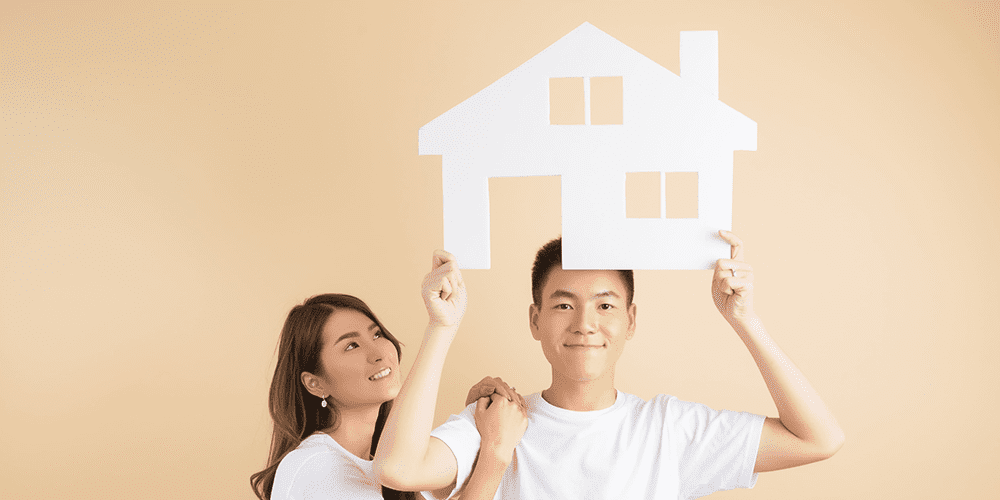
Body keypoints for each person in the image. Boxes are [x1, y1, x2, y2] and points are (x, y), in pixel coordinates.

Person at [377, 231, 846, 499]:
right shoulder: (495, 421)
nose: (585, 324)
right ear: (535, 321)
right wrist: (441, 327)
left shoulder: (668, 429)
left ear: (631, 320)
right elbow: (399, 469)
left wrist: (744, 320)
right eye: (564, 306)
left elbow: (819, 438)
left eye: (605, 306)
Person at [250, 271, 527, 499]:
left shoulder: (373, 464)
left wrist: (475, 420)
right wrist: (495, 452)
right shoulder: (315, 467)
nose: (379, 352)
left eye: (377, 334)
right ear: (315, 383)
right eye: (351, 345)